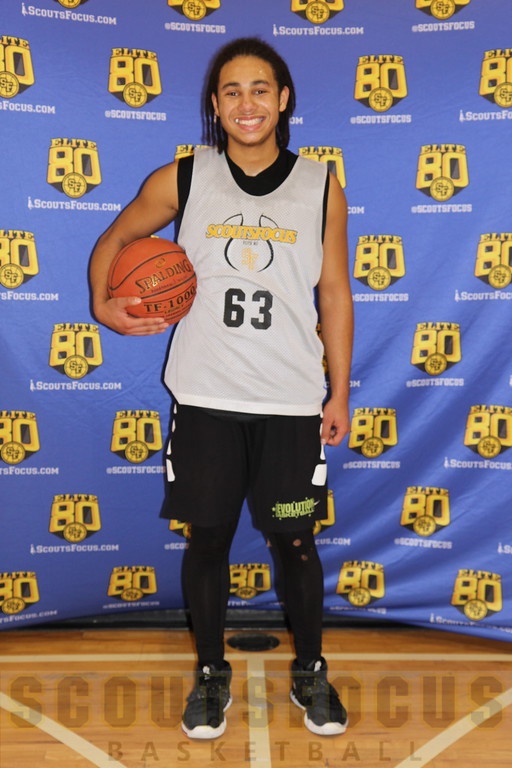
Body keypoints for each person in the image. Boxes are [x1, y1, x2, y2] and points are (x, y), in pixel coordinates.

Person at [89, 37, 353, 740]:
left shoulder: (321, 185)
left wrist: (338, 393)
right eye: (232, 91)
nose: (247, 103)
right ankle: (211, 672)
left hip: (290, 400)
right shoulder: (186, 176)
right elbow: (114, 240)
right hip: (206, 397)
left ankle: (311, 669)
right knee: (208, 539)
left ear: (283, 99)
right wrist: (102, 304)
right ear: (215, 104)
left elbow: (334, 291)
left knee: (294, 540)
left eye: (260, 89)